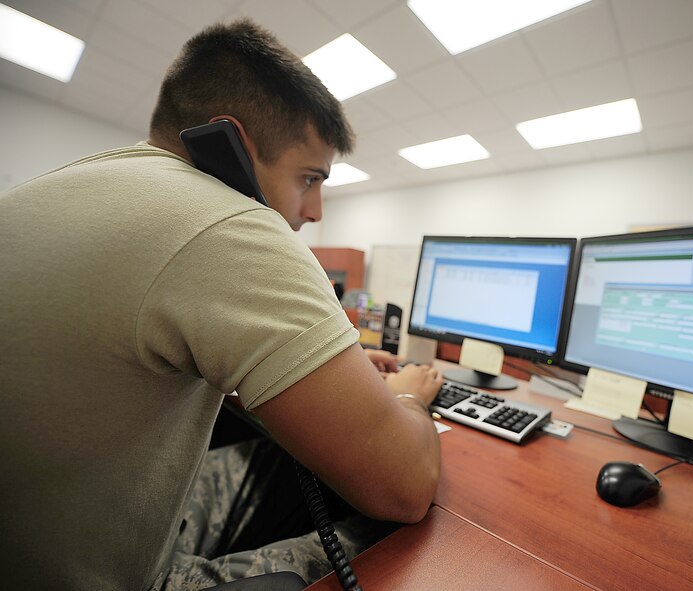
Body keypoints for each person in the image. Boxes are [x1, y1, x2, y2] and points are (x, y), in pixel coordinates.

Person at [0, 18, 443, 591]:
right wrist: (408, 394)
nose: (317, 211)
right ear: (231, 144)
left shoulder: (56, 187)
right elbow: (405, 486)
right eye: (310, 179)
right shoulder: (229, 223)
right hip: (111, 574)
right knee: (393, 527)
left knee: (278, 459)